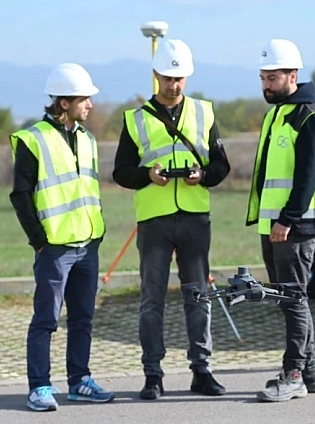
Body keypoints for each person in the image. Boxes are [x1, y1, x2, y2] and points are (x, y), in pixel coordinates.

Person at [113, 38, 231, 400]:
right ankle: (153, 375)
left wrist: (204, 175)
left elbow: (221, 166)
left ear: (187, 77)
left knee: (198, 297)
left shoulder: (205, 113)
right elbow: (121, 172)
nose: (173, 84)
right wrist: (148, 175)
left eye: (179, 78)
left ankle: (202, 371)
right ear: (155, 75)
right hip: (155, 221)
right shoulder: (135, 119)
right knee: (152, 300)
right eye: (167, 77)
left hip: (195, 217)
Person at [9, 62, 115, 412]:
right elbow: (20, 195)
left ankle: (79, 381)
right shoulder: (32, 139)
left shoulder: (87, 139)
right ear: (64, 102)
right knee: (46, 320)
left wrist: (96, 234)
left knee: (83, 318)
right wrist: (38, 239)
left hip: (88, 244)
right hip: (54, 248)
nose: (91, 105)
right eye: (85, 99)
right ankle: (39, 387)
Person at [245, 39, 315, 402]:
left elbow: (306, 178)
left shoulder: (310, 118)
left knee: (293, 299)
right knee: (288, 299)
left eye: (272, 77)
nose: (266, 84)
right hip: (275, 226)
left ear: (292, 75)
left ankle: (293, 374)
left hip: (294, 227)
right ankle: (309, 373)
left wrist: (287, 220)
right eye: (263, 77)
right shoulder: (276, 114)